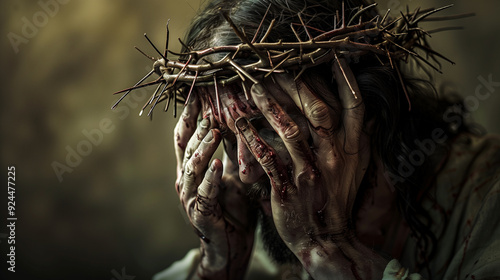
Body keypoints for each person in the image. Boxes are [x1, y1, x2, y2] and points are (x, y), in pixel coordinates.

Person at [152, 0, 500, 279]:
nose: (246, 171)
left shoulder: (488, 203)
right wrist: (218, 267)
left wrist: (328, 253)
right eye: (226, 137)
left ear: (365, 105)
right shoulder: (257, 232)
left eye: (271, 126)